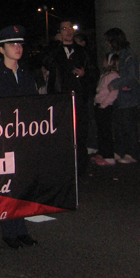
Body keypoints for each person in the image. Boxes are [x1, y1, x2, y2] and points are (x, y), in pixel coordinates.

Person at [0, 26, 38, 249]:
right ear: (1, 49)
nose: (18, 48)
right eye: (12, 44)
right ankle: (9, 231)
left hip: (24, 137)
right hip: (5, 139)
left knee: (22, 184)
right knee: (7, 185)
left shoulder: (26, 74)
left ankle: (21, 229)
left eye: (20, 44)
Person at [42, 20, 90, 176]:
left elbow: (92, 72)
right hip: (59, 98)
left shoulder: (82, 51)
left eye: (70, 28)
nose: (68, 31)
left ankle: (81, 168)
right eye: (64, 29)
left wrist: (84, 74)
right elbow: (44, 61)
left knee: (80, 133)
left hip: (78, 97)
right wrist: (55, 45)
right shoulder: (55, 51)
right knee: (61, 133)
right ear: (59, 32)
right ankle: (63, 167)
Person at [104, 28, 140, 164]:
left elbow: (132, 77)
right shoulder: (115, 54)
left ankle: (132, 153)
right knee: (118, 126)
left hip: (128, 95)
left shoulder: (129, 55)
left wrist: (115, 84)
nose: (107, 43)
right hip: (117, 97)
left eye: (109, 40)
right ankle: (120, 151)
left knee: (128, 126)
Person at [92, 54, 119, 166]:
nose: (103, 62)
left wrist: (104, 104)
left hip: (105, 106)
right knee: (101, 131)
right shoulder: (106, 74)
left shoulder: (113, 75)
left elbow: (114, 92)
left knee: (105, 131)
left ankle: (109, 156)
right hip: (100, 104)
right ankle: (103, 153)